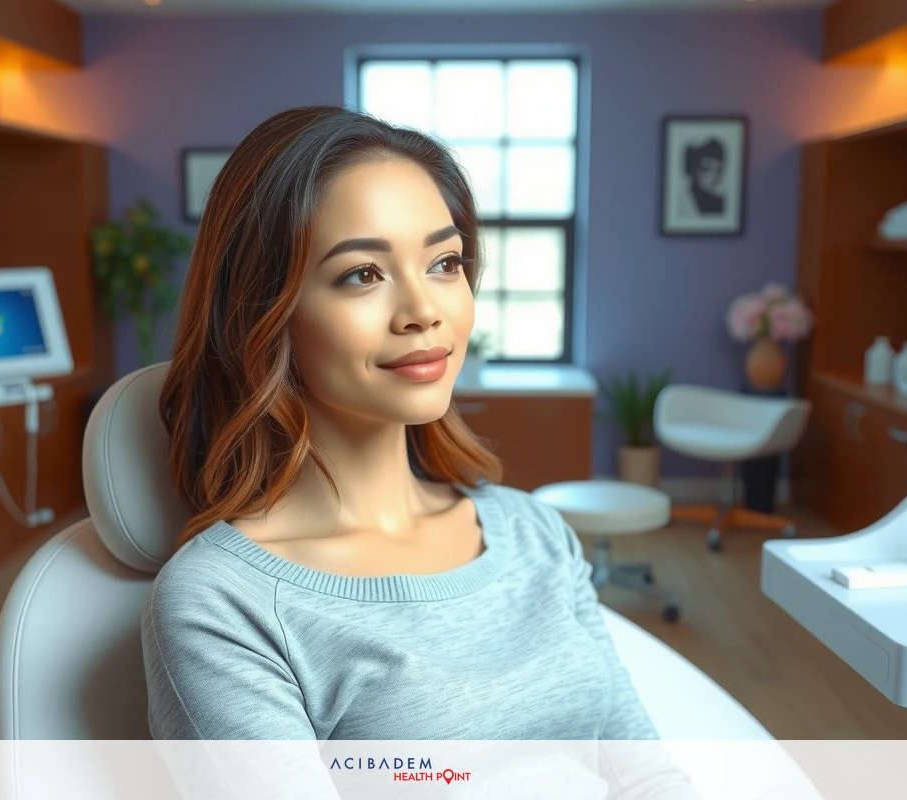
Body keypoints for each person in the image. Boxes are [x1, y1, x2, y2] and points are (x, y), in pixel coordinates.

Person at [143, 105, 700, 798]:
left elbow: (646, 775)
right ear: (263, 311)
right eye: (362, 275)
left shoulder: (531, 532)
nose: (424, 310)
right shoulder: (226, 603)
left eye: (444, 263)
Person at [682, 138, 726, 216]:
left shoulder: (720, 203)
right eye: (706, 168)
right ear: (694, 169)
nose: (713, 176)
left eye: (718, 170)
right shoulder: (685, 199)